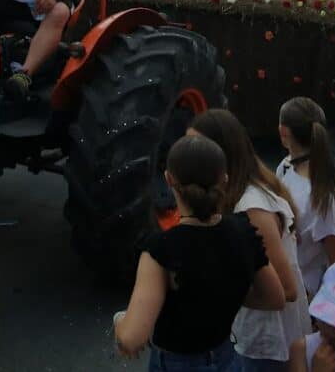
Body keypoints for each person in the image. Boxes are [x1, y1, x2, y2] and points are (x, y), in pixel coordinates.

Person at [114, 135, 286, 369]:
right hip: (227, 358)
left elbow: (132, 338)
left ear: (169, 180)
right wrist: (222, 295)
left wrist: (120, 323)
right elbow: (274, 298)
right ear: (224, 180)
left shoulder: (161, 248)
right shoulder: (243, 229)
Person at [192, 109, 311, 370]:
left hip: (265, 343)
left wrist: (219, 293)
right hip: (252, 334)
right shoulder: (231, 196)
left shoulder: (252, 209)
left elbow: (286, 290)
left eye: (197, 150)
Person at [276, 97, 335, 296]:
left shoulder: (325, 197)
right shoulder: (285, 168)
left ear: (283, 132)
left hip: (305, 297)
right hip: (282, 285)